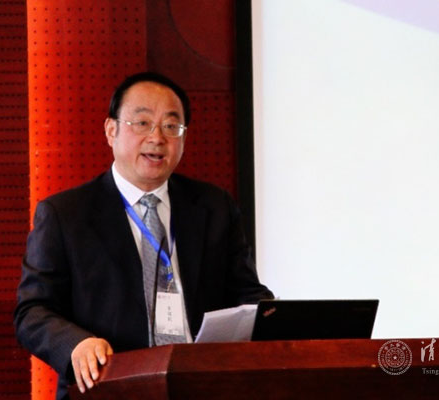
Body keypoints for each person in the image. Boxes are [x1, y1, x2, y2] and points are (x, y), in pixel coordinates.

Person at [14, 72, 274, 399]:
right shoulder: (65, 214)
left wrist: (275, 319)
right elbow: (32, 311)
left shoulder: (214, 206)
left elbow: (247, 295)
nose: (157, 138)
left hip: (201, 386)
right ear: (111, 130)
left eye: (171, 126)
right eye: (142, 123)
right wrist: (76, 344)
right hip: (109, 387)